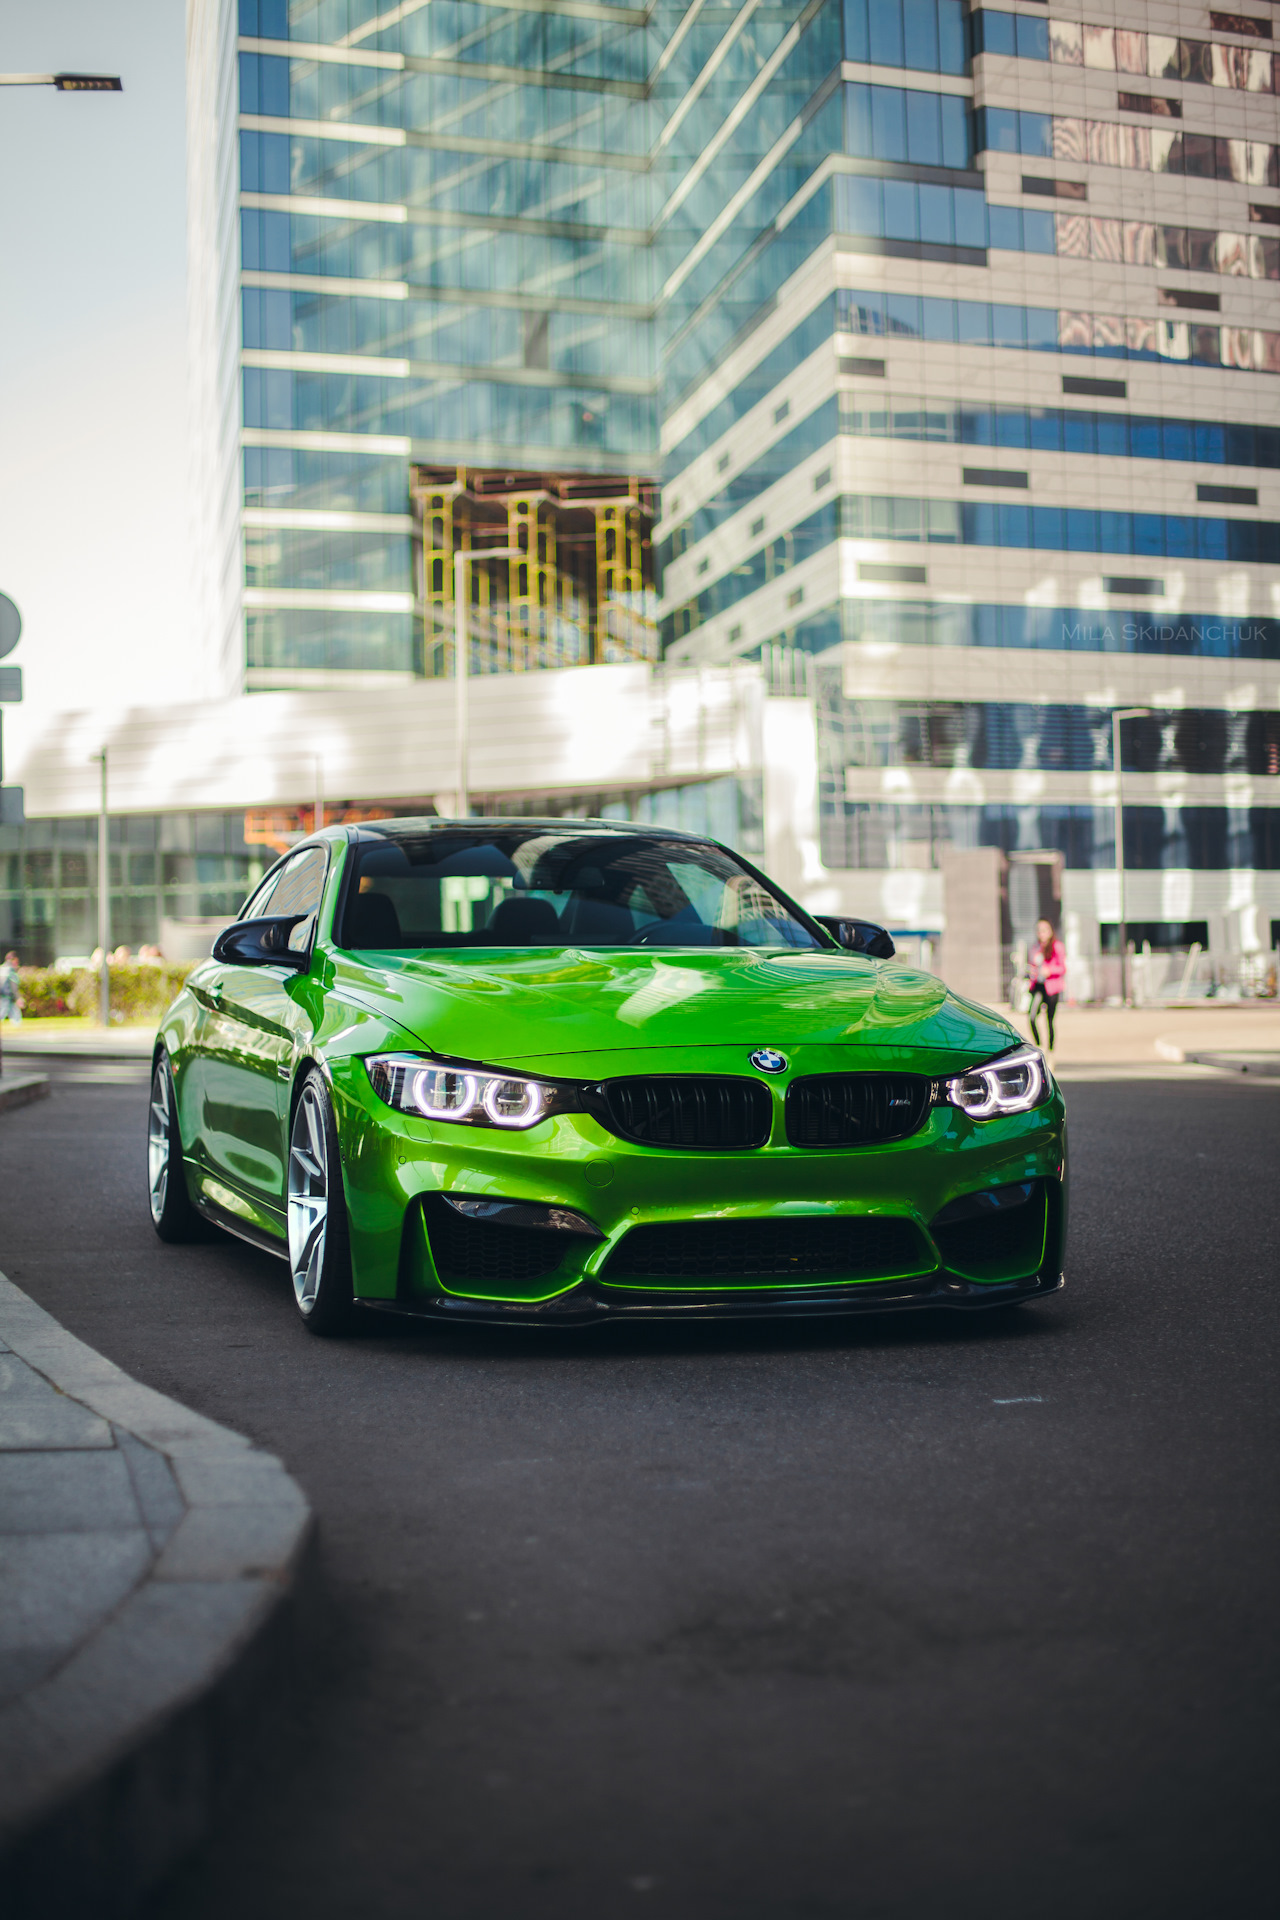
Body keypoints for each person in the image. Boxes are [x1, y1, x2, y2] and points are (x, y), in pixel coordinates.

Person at [1027, 918, 1065, 1051]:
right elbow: (1031, 965)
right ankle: (1039, 1046)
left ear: (1050, 931)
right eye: (1039, 931)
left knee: (1049, 1021)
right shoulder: (1034, 947)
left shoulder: (1057, 946)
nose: (1041, 934)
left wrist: (1050, 971)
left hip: (1052, 988)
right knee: (1032, 1017)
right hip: (1038, 986)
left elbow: (1062, 968)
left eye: (1044, 930)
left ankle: (1050, 1051)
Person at [0, 950, 23, 1026]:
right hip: (7, 996)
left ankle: (17, 1026)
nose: (17, 964)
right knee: (3, 1013)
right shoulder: (11, 971)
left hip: (3, 996)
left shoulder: (2, 969)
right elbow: (14, 986)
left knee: (14, 1014)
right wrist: (18, 998)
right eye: (16, 961)